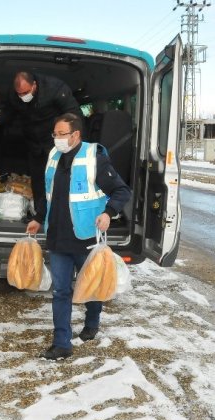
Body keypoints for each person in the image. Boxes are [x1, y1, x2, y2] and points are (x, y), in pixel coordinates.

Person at [26, 113, 131, 360]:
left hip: (86, 238)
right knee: (61, 291)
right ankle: (62, 342)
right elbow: (47, 194)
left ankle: (92, 321)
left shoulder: (95, 157)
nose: (57, 139)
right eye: (55, 134)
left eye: (61, 134)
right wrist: (39, 219)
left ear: (75, 135)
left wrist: (109, 213)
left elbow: (121, 190)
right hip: (58, 237)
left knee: (91, 287)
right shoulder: (53, 156)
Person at [0, 72, 81, 219]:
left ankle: (62, 216)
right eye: (19, 94)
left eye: (26, 92)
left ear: (34, 85)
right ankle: (39, 215)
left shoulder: (55, 88)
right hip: (34, 141)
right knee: (38, 180)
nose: (22, 96)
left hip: (55, 139)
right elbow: (9, 111)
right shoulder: (15, 95)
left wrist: (73, 139)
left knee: (58, 179)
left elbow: (74, 113)